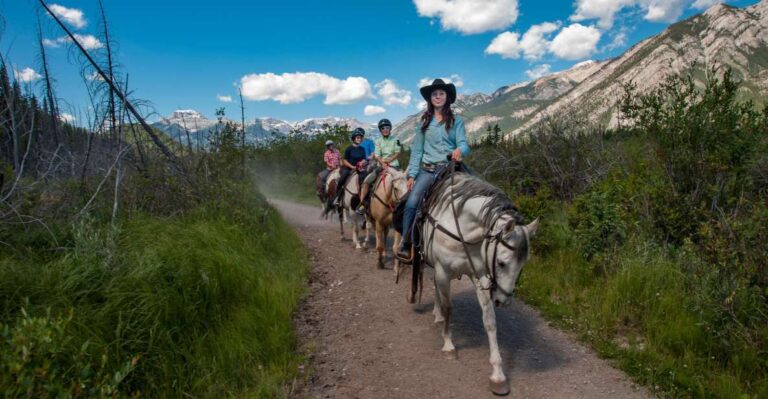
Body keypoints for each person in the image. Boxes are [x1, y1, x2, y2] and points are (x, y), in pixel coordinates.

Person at [395, 79, 469, 261]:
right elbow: (417, 152)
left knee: (479, 192)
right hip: (428, 171)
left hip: (451, 168)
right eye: (434, 94)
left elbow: (463, 144)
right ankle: (406, 242)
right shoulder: (423, 124)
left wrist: (460, 151)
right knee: (412, 202)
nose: (438, 96)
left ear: (447, 97)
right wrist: (412, 175)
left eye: (441, 94)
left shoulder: (457, 121)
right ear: (430, 98)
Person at [356, 118, 401, 214]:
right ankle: (363, 204)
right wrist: (383, 163)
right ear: (380, 130)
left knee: (405, 182)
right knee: (366, 182)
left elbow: (397, 152)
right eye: (383, 128)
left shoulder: (395, 140)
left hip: (394, 166)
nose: (385, 129)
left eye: (387, 127)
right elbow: (377, 155)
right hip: (381, 166)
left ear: (390, 129)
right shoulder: (378, 141)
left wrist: (389, 160)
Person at [330, 128, 368, 207]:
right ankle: (337, 197)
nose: (359, 139)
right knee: (342, 178)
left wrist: (362, 162)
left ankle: (365, 198)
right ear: (354, 138)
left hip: (359, 168)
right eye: (358, 137)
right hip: (348, 168)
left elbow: (364, 159)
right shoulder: (349, 149)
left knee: (366, 178)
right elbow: (345, 161)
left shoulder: (362, 149)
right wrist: (353, 167)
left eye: (360, 138)